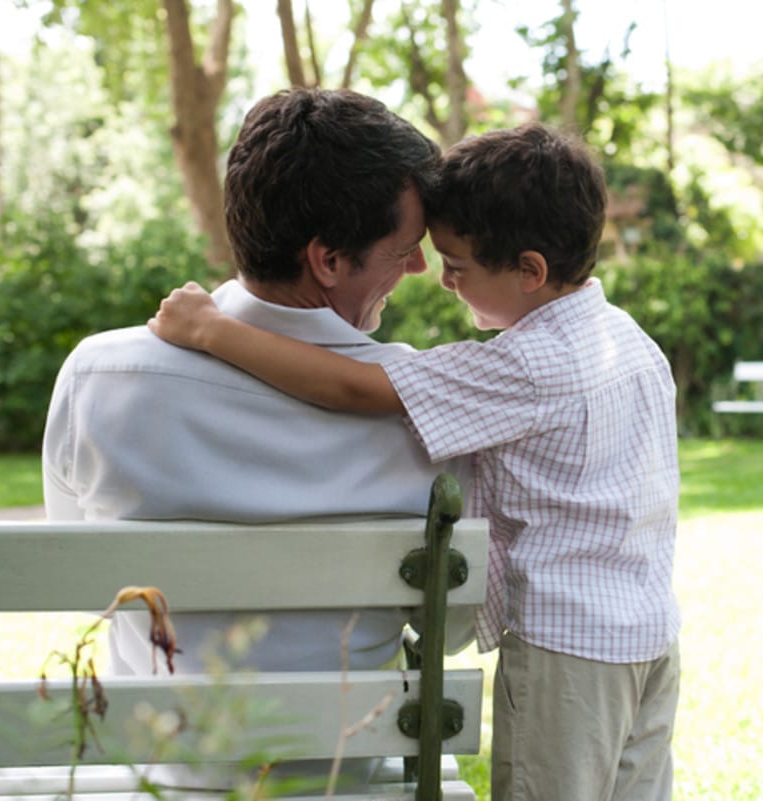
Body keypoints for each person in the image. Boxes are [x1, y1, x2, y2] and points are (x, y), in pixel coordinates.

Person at [149, 122, 683, 801]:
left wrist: (211, 330)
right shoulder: (627, 339)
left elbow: (353, 386)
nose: (442, 281)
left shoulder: (529, 364)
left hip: (568, 652)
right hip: (650, 637)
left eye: (456, 267)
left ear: (530, 271)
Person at [42, 87, 473, 682]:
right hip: (342, 762)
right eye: (403, 251)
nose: (419, 267)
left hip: (158, 760)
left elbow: (84, 581)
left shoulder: (99, 375)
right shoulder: (426, 407)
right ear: (328, 261)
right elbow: (453, 628)